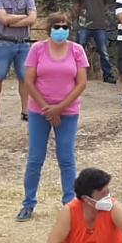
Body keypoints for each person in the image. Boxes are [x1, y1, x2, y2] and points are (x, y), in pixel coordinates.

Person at [18, 13, 88, 221]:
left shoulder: (77, 50)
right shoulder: (37, 49)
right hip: (39, 110)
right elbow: (28, 81)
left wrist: (59, 108)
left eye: (65, 27)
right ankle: (28, 203)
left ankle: (70, 204)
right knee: (35, 159)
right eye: (57, 26)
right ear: (49, 29)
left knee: (66, 159)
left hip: (67, 111)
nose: (61, 30)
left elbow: (81, 83)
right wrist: (47, 109)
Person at [0, 0, 37, 125]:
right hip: (4, 43)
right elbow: (3, 19)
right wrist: (23, 17)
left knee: (25, 77)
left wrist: (11, 21)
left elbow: (32, 19)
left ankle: (26, 110)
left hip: (23, 43)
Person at [71, 0, 115, 84]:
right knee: (79, 50)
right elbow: (76, 5)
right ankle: (75, 74)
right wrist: (80, 16)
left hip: (99, 25)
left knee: (103, 51)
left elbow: (107, 5)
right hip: (83, 25)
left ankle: (108, 75)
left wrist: (100, 13)